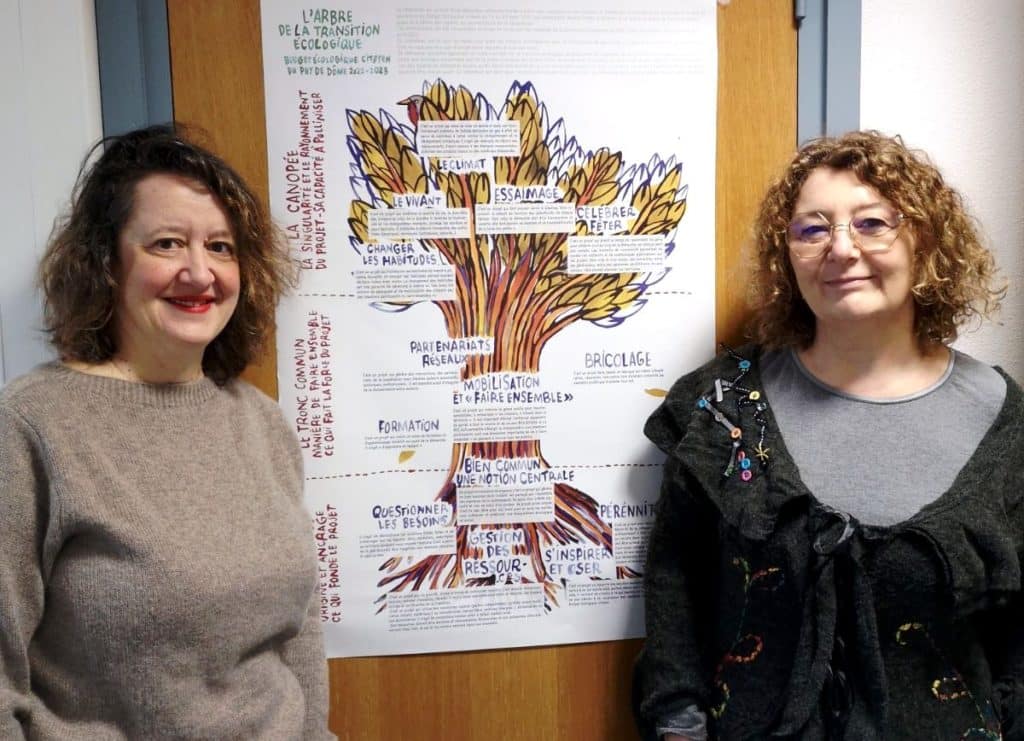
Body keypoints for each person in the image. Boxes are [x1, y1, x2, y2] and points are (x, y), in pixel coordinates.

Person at [633, 131, 1022, 739]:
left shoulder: (1003, 418)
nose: (840, 249)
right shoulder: (723, 406)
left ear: (926, 242)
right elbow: (676, 583)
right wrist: (677, 726)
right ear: (785, 255)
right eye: (812, 229)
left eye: (872, 224)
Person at [0, 125, 334, 739]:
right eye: (167, 243)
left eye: (222, 247)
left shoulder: (261, 423)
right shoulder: (30, 427)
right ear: (107, 260)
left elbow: (300, 634)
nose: (200, 272)